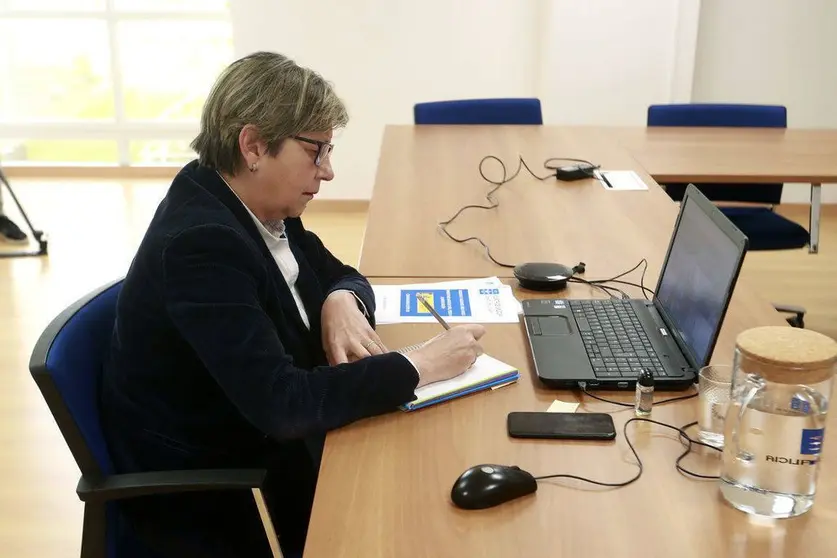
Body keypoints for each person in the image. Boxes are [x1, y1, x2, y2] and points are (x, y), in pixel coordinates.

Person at [100, 51, 486, 558]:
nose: (327, 172)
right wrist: (420, 364)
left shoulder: (252, 200)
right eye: (316, 151)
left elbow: (343, 275)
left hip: (263, 433)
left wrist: (341, 300)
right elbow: (282, 404)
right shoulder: (202, 245)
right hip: (212, 482)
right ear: (254, 144)